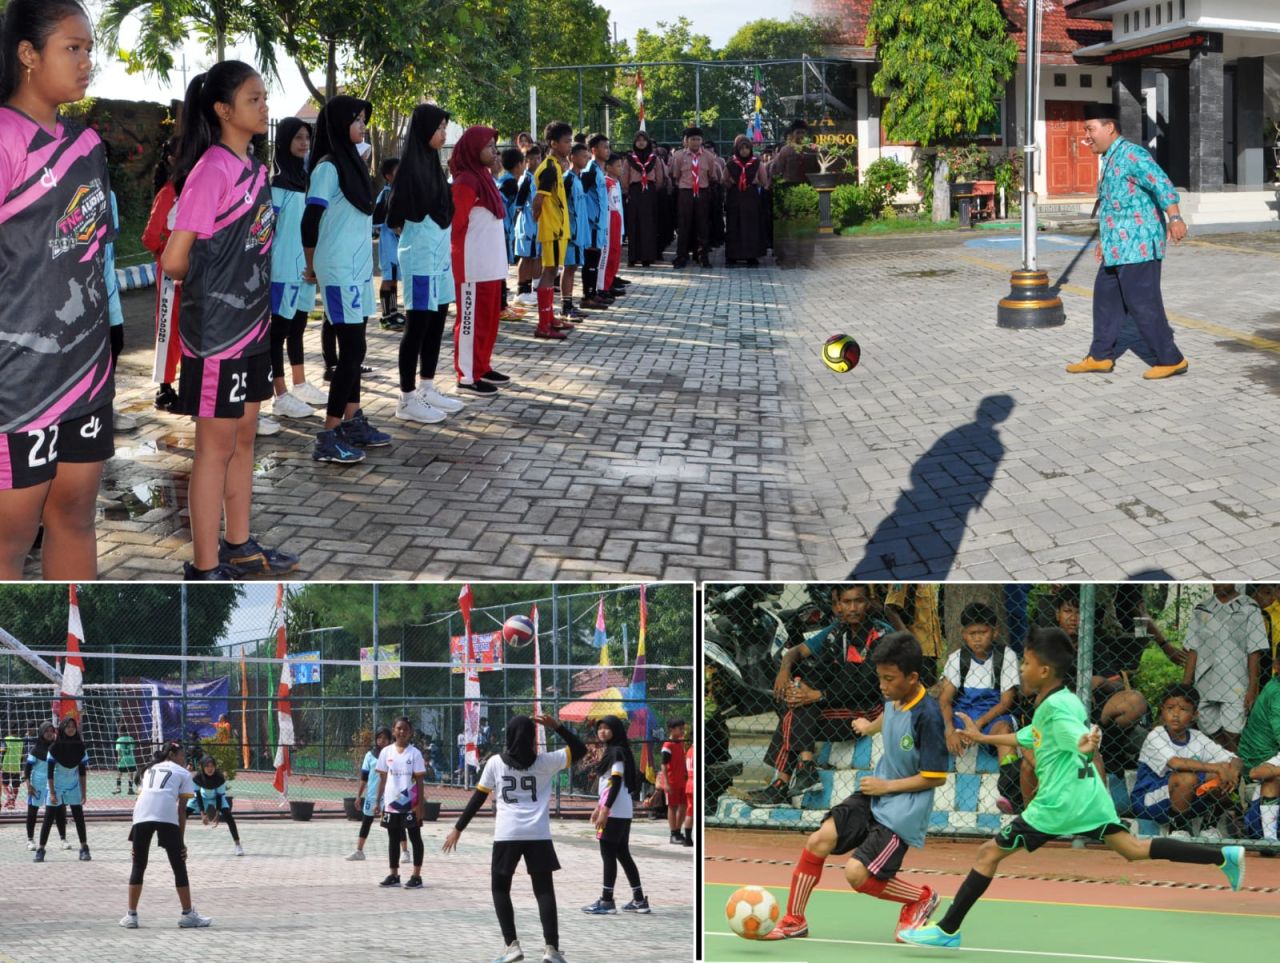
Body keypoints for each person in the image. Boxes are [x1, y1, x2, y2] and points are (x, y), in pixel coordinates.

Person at [900, 627, 1246, 950]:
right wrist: (982, 736)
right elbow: (1031, 736)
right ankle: (1224, 856)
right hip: (1089, 797)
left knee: (988, 853)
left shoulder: (1056, 707)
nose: (1021, 668)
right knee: (1133, 849)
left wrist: (1085, 743)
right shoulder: (1059, 699)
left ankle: (947, 930)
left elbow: (1071, 735)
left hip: (1059, 803)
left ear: (1044, 670)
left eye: (1026, 662)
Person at [161, 62, 299, 581]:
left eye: (265, 97)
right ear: (223, 110)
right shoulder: (211, 171)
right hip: (216, 333)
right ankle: (204, 565)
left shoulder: (257, 169)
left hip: (254, 328)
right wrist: (216, 277)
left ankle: (239, 544)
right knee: (213, 450)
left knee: (245, 440)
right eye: (253, 99)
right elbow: (174, 259)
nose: (264, 107)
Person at [0, 0, 115, 580]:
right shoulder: (3, 139)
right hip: (18, 384)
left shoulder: (89, 144)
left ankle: (78, 664)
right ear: (27, 55)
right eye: (73, 48)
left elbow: (94, 255)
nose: (86, 61)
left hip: (87, 372)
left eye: (89, 49)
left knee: (74, 516)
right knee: (11, 537)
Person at [764, 632, 946, 944]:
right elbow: (888, 716)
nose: (882, 686)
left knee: (857, 875)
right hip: (876, 793)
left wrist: (886, 785)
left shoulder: (928, 716)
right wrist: (868, 725)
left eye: (889, 679)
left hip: (902, 808)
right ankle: (795, 920)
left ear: (913, 677)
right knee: (819, 839)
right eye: (880, 678)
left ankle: (920, 898)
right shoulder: (894, 697)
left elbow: (936, 776)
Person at [443, 714, 588, 963]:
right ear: (533, 738)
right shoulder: (546, 761)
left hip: (507, 834)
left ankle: (512, 946)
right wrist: (557, 727)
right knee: (544, 891)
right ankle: (551, 949)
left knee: (500, 888)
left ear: (509, 736)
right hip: (538, 835)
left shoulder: (496, 763)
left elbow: (478, 799)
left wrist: (458, 827)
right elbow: (581, 749)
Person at [1066, 102, 1189, 380]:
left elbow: (1162, 184)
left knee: (1143, 304)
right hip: (1116, 247)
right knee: (1105, 301)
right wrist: (1104, 240)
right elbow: (1113, 204)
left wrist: (1175, 218)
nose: (1087, 136)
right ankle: (1100, 357)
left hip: (1138, 246)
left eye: (1090, 129)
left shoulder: (1133, 155)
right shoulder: (1110, 157)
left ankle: (1172, 359)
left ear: (1109, 128)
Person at [749, 584, 896, 806]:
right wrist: (795, 685)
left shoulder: (881, 635)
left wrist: (818, 695)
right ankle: (803, 769)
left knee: (799, 707)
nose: (853, 608)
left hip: (869, 711)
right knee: (796, 700)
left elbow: (867, 685)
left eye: (859, 601)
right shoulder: (838, 633)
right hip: (842, 705)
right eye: (847, 602)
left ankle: (786, 782)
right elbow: (820, 669)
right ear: (838, 605)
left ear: (868, 603)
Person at [303, 95, 391, 464]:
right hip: (337, 269)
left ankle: (353, 420)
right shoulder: (327, 167)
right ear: (340, 124)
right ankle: (328, 434)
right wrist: (311, 267)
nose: (362, 125)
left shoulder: (353, 164)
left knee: (358, 350)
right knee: (351, 351)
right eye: (356, 119)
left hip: (356, 268)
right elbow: (310, 220)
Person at [387, 103, 465, 424]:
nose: (443, 133)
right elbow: (394, 216)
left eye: (445, 127)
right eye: (439, 128)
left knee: (437, 319)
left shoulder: (434, 164)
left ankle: (427, 386)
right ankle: (406, 398)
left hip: (439, 256)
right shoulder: (408, 168)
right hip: (420, 254)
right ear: (423, 130)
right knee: (417, 324)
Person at [267, 117, 328, 420]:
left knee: (299, 325)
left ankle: (300, 383)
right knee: (277, 332)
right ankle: (280, 395)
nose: (304, 143)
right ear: (284, 141)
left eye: (308, 138)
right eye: (298, 138)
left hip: (305, 269)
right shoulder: (277, 185)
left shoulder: (307, 181)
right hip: (282, 269)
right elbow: (268, 232)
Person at [938, 602, 1021, 812]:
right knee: (929, 725)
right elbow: (945, 700)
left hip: (992, 716)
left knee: (1004, 732)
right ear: (964, 634)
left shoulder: (1006, 656)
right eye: (971, 633)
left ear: (994, 632)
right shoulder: (957, 659)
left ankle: (1011, 794)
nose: (977, 638)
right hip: (962, 714)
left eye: (982, 632)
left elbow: (1006, 702)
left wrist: (977, 725)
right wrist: (950, 730)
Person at [1130, 684, 1243, 838]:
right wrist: (1217, 767)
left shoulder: (1197, 737)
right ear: (1162, 711)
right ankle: (1179, 828)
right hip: (1149, 801)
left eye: (1183, 710)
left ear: (1195, 714)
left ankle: (1209, 826)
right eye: (1170, 708)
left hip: (1188, 800)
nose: (1175, 714)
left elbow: (1234, 759)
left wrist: (1232, 772)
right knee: (1186, 777)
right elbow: (1175, 763)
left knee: (1219, 775)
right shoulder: (1156, 735)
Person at [120, 741, 212, 929]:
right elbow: (181, 811)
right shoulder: (183, 773)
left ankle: (131, 915)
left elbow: (142, 801)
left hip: (140, 816)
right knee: (178, 865)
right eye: (182, 755)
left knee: (138, 864)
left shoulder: (149, 770)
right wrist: (181, 843)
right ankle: (188, 915)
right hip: (166, 815)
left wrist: (134, 842)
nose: (184, 758)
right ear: (172, 754)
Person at [449, 124, 512, 395]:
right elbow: (456, 224)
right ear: (474, 149)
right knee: (470, 321)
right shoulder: (465, 181)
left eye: (494, 146)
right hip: (472, 264)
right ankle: (466, 375)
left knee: (488, 320)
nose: (494, 151)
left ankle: (482, 365)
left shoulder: (485, 178)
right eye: (488, 146)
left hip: (490, 263)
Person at [1182, 584, 1268, 753]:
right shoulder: (1202, 609)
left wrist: (1252, 688)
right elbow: (1193, 649)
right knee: (1211, 737)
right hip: (1204, 683)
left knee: (1234, 735)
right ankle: (1218, 771)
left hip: (1236, 683)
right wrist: (1185, 687)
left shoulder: (1249, 608)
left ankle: (1233, 774)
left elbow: (1254, 651)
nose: (1220, 584)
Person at [582, 715, 649, 915]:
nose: (602, 731)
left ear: (616, 730)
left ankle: (607, 900)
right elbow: (607, 784)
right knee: (622, 854)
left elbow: (616, 782)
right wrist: (598, 806)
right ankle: (639, 900)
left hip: (615, 811)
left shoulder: (617, 752)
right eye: (600, 728)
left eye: (607, 728)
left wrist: (605, 810)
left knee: (608, 854)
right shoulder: (614, 751)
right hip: (620, 809)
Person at [145, 136, 182, 413]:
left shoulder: (195, 189)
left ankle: (191, 382)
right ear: (171, 159)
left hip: (194, 272)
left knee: (190, 330)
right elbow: (149, 237)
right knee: (167, 329)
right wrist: (168, 251)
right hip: (171, 273)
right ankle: (165, 387)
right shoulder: (168, 193)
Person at [374, 715, 427, 889]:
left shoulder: (415, 753)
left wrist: (419, 804)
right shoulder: (386, 752)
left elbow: (419, 782)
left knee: (414, 837)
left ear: (410, 732)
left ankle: (416, 876)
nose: (402, 731)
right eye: (399, 728)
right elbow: (382, 778)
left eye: (405, 729)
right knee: (393, 838)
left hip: (410, 803)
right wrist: (377, 801)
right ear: (394, 730)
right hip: (391, 803)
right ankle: (394, 874)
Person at [532, 123, 573, 340]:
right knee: (549, 273)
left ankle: (549, 319)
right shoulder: (548, 168)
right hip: (553, 230)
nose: (570, 145)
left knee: (553, 271)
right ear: (553, 143)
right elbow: (538, 200)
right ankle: (542, 325)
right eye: (566, 141)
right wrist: (540, 220)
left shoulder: (556, 166)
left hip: (558, 228)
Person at [1238, 674, 1280, 840]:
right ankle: (1269, 839)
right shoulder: (1277, 692)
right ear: (1277, 665)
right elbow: (1257, 772)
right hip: (1261, 763)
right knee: (1272, 779)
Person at [43, 715, 90, 861]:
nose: (70, 729)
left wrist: (83, 792)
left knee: (79, 816)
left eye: (73, 727)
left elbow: (82, 773)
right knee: (49, 817)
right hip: (56, 786)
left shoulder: (81, 747)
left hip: (73, 786)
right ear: (62, 729)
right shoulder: (54, 747)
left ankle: (84, 848)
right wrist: (51, 793)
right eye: (68, 727)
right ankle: (40, 849)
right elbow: (49, 773)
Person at [668, 127, 715, 269]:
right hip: (685, 192)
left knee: (702, 225)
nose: (696, 142)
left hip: (702, 191)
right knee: (684, 225)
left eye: (698, 139)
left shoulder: (708, 156)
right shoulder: (678, 156)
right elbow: (676, 175)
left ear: (702, 141)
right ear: (686, 141)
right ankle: (682, 256)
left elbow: (711, 174)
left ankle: (703, 256)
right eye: (692, 139)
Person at [348, 726, 395, 860]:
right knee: (366, 822)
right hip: (372, 795)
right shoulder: (370, 755)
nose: (382, 741)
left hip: (389, 795)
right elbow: (364, 777)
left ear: (390, 740)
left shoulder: (393, 754)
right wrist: (359, 796)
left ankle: (404, 851)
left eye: (385, 738)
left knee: (393, 824)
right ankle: (359, 851)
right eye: (379, 738)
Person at [721, 136, 770, 266]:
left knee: (751, 226)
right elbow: (723, 179)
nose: (744, 151)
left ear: (751, 149)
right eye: (741, 148)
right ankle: (732, 256)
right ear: (737, 149)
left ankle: (751, 256)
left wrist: (756, 182)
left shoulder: (756, 162)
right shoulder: (731, 162)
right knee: (734, 226)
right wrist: (730, 184)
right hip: (735, 197)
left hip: (751, 197)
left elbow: (764, 181)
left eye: (747, 148)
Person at [621, 131, 666, 267]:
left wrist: (651, 189)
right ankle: (633, 257)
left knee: (648, 225)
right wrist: (629, 191)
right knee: (634, 224)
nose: (641, 142)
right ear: (634, 142)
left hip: (649, 192)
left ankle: (647, 257)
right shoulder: (629, 159)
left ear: (648, 142)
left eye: (644, 140)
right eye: (638, 140)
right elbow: (624, 178)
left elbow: (659, 178)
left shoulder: (654, 159)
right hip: (634, 192)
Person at [578, 133, 613, 310]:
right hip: (592, 223)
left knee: (596, 257)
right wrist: (589, 216)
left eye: (608, 147)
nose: (608, 150)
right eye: (604, 147)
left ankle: (593, 294)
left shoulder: (599, 170)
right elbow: (581, 193)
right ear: (594, 150)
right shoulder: (590, 170)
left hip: (600, 223)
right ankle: (587, 296)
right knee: (591, 258)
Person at [559, 141, 591, 324]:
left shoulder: (579, 178)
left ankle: (570, 304)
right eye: (582, 156)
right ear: (572, 157)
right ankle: (565, 307)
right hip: (570, 232)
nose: (586, 159)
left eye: (587, 156)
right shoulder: (568, 179)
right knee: (568, 266)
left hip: (580, 232)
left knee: (574, 267)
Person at [24, 723, 66, 852]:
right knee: (32, 812)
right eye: (46, 731)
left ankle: (63, 839)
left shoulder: (58, 748)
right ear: (41, 733)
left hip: (54, 784)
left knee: (59, 811)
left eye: (51, 731)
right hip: (37, 784)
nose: (49, 733)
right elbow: (27, 769)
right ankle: (30, 839)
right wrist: (28, 785)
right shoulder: (35, 750)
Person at [497, 147, 527, 321]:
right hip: (501, 229)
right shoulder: (509, 183)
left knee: (503, 267)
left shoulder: (507, 181)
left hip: (505, 229)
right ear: (518, 165)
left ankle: (504, 305)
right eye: (523, 162)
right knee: (501, 268)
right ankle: (500, 307)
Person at [373, 155, 404, 329]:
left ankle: (393, 311)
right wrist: (392, 226)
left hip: (398, 244)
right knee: (387, 278)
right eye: (397, 172)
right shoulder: (385, 194)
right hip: (388, 244)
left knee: (394, 279)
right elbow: (376, 220)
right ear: (388, 176)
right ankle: (385, 316)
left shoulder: (400, 192)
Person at [193, 755, 243, 855]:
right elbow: (198, 795)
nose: (210, 768)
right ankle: (177, 845)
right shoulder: (197, 778)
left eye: (212, 766)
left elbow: (220, 796)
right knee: (184, 812)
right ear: (203, 767)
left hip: (216, 797)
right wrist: (202, 814)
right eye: (207, 766)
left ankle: (238, 845)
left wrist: (217, 813)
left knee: (229, 817)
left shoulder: (220, 778)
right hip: (203, 797)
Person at [659, 718, 690, 845]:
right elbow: (663, 765)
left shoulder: (681, 743)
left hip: (682, 780)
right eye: (680, 728)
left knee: (683, 805)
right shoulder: (667, 745)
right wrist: (666, 783)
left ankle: (678, 831)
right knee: (672, 806)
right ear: (672, 730)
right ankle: (673, 833)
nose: (682, 730)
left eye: (683, 728)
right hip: (671, 781)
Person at [601, 153, 627, 296]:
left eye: (621, 165)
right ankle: (604, 284)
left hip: (618, 220)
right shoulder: (606, 182)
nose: (621, 168)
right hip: (610, 220)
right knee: (609, 254)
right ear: (608, 167)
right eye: (618, 166)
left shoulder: (616, 182)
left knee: (616, 253)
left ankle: (610, 281)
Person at [115, 725, 139, 795]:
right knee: (130, 774)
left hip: (123, 760)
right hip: (131, 760)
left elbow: (119, 753)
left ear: (120, 732)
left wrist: (118, 761)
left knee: (119, 774)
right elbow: (133, 748)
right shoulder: (131, 739)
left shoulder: (119, 740)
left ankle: (118, 788)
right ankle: (130, 789)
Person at [2, 729, 21, 809]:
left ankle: (9, 797)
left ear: (10, 731)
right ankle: (12, 802)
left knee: (4, 784)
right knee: (15, 786)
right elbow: (22, 753)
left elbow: (3, 750)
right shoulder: (21, 740)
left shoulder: (6, 739)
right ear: (17, 731)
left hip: (6, 764)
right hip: (17, 765)